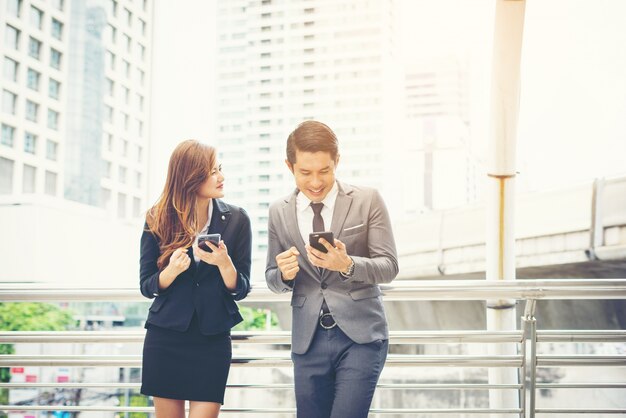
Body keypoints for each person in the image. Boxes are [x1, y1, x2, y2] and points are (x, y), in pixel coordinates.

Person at [265, 120, 399, 418]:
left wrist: (348, 265)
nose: (315, 182)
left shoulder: (367, 200)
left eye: (324, 171)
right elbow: (271, 279)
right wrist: (284, 274)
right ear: (290, 166)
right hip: (307, 341)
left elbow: (389, 266)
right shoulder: (279, 211)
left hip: (360, 337)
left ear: (337, 162)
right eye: (305, 172)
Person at [139, 140, 251, 418]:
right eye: (212, 171)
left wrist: (225, 264)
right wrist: (171, 271)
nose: (221, 177)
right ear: (190, 176)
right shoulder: (157, 217)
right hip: (165, 337)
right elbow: (147, 285)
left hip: (212, 338)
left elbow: (241, 288)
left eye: (219, 169)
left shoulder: (237, 219)